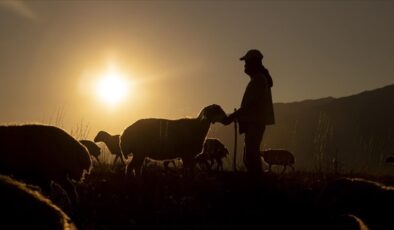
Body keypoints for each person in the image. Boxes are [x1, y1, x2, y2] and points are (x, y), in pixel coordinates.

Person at [222, 49, 275, 175]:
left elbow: (250, 105)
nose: (245, 65)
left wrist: (232, 116)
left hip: (254, 122)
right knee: (251, 154)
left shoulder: (258, 80)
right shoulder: (259, 79)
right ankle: (256, 182)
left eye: (247, 62)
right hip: (254, 122)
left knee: (251, 155)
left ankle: (257, 183)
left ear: (254, 63)